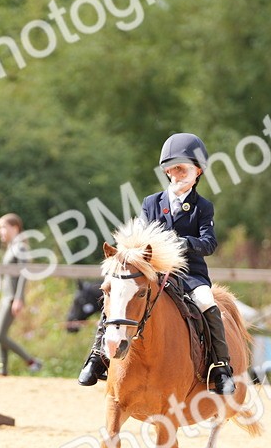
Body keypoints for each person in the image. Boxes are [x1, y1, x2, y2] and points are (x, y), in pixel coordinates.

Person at [78, 132, 236, 394]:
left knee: (207, 302)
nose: (176, 175)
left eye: (182, 169)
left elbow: (208, 243)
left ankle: (220, 366)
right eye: (172, 170)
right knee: (118, 295)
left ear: (197, 172)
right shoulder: (152, 203)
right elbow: (138, 236)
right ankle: (97, 357)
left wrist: (178, 243)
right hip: (152, 272)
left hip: (188, 274)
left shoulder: (202, 207)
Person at [0, 213, 42, 375]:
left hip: (12, 297)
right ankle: (3, 370)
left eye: (3, 228)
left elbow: (24, 273)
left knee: (0, 336)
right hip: (5, 296)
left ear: (15, 228)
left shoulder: (20, 247)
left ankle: (31, 361)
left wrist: (19, 298)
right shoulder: (10, 247)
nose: (1, 232)